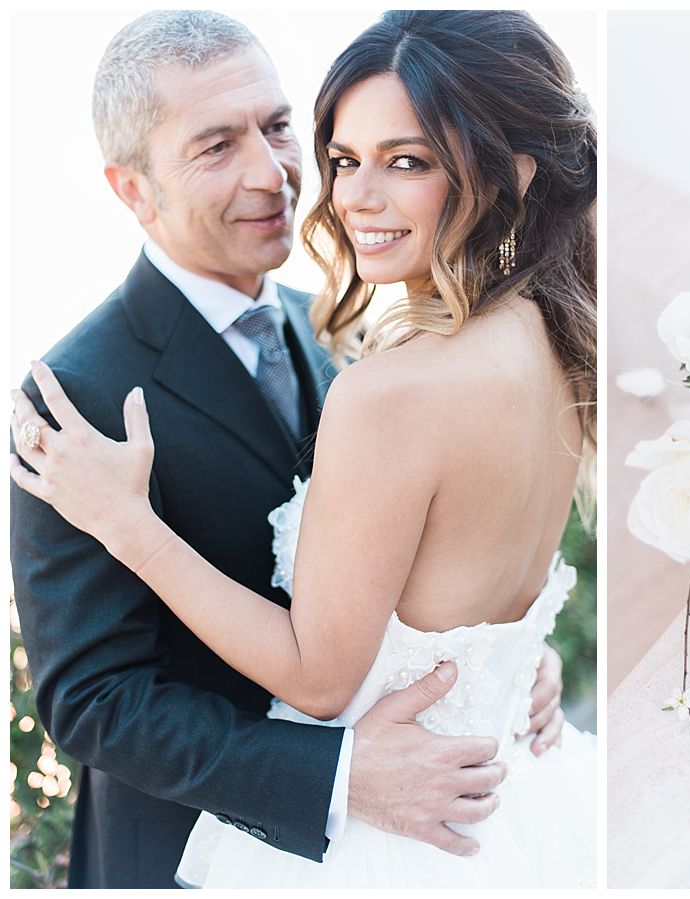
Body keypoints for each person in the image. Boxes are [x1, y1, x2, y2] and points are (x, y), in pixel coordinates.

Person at [10, 9, 596, 889]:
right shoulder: (75, 394)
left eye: (279, 127)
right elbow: (92, 701)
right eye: (215, 146)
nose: (273, 174)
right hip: (192, 855)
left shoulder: (338, 333)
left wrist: (490, 651)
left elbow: (408, 562)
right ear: (133, 189)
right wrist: (333, 777)